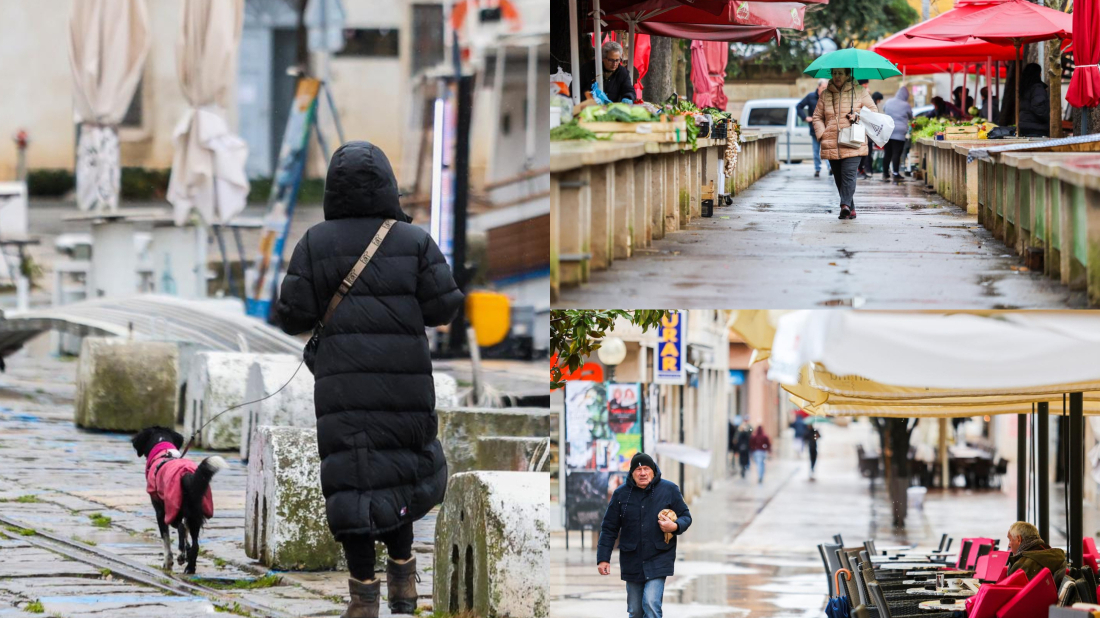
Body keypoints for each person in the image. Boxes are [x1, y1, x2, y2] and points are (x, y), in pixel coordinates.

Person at [276, 141, 464, 618]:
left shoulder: (315, 242)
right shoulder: (414, 240)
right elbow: (443, 308)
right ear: (387, 185)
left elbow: (292, 315)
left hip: (343, 385)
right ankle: (403, 576)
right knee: (397, 472)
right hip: (405, 382)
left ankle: (363, 596)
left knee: (354, 481)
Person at [598, 453, 692, 618]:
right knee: (635, 611)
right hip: (632, 559)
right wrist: (603, 558)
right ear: (632, 473)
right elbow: (609, 528)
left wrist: (674, 526)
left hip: (659, 556)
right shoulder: (621, 494)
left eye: (646, 469)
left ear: (653, 471)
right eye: (638, 469)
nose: (642, 473)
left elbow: (686, 516)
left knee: (651, 603)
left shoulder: (669, 490)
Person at [812, 67, 878, 221]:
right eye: (834, 73)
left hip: (853, 140)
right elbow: (817, 117)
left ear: (848, 74)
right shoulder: (825, 94)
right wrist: (823, 134)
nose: (837, 76)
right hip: (832, 141)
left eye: (840, 73)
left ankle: (844, 206)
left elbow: (874, 112)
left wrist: (858, 116)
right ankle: (851, 208)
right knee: (839, 178)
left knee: (848, 174)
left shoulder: (860, 91)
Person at [1005, 521, 1068, 588]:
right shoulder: (1052, 554)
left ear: (1019, 539)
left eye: (1010, 540)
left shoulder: (1023, 565)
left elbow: (1010, 592)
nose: (1009, 545)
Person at [581, 41, 635, 105]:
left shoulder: (622, 72)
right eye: (611, 60)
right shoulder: (588, 68)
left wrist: (628, 98)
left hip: (613, 110)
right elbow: (575, 89)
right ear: (603, 58)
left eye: (617, 60)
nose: (614, 64)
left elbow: (629, 90)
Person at [797, 79, 829, 178]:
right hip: (814, 129)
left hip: (826, 128)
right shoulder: (811, 97)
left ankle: (830, 168)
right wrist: (805, 117)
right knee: (816, 151)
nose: (825, 90)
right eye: (823, 88)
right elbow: (799, 106)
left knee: (827, 150)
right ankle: (817, 169)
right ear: (818, 87)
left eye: (826, 88)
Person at [882, 86, 913, 182]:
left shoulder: (888, 101)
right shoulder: (906, 105)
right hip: (899, 132)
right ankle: (895, 173)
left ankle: (885, 173)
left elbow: (884, 109)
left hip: (888, 130)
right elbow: (910, 116)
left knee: (887, 153)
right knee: (896, 153)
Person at [1018, 63, 1050, 137]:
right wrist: (1046, 118)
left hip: (1025, 126)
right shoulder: (1037, 88)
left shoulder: (1025, 88)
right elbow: (1038, 107)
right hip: (1037, 128)